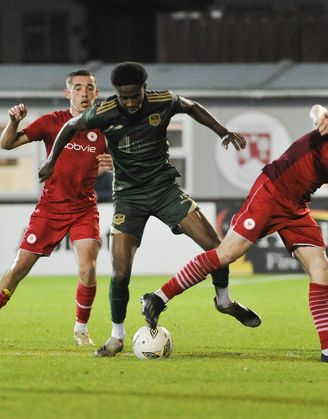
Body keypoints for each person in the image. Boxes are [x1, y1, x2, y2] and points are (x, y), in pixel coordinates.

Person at [141, 104, 328, 363]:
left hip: (296, 206)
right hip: (272, 192)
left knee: (323, 271)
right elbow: (320, 110)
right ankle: (158, 297)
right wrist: (321, 116)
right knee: (227, 254)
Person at [38, 62, 261, 357]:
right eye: (124, 97)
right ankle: (117, 335)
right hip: (128, 197)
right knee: (120, 272)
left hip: (164, 189)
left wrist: (222, 131)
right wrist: (51, 160)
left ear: (145, 89)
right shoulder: (104, 112)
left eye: (135, 96)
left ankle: (224, 300)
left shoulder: (163, 101)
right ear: (116, 93)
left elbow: (192, 107)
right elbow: (69, 126)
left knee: (216, 246)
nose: (130, 103)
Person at [0, 70, 111, 346]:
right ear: (68, 93)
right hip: (50, 208)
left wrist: (116, 164)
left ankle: (81, 328)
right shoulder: (53, 122)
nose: (83, 94)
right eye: (77, 88)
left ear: (96, 93)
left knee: (88, 268)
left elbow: (126, 161)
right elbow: (7, 144)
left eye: (89, 88)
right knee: (18, 269)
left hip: (84, 208)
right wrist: (13, 122)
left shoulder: (105, 128)